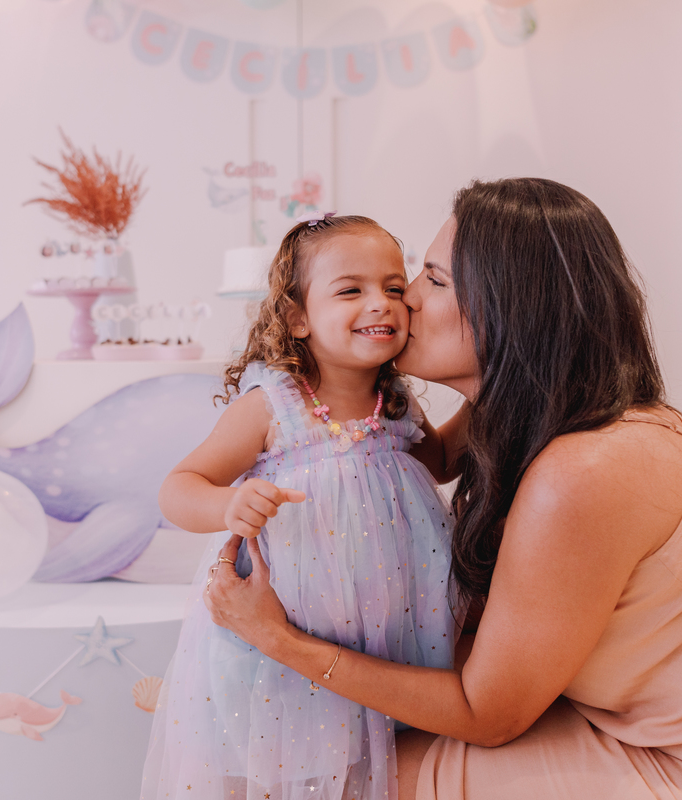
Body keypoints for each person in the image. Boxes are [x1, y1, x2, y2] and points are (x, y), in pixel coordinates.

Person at [204, 178, 682, 799]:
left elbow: (489, 714)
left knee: (355, 776)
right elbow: (392, 466)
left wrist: (279, 640)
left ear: (512, 314)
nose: (404, 300)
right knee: (326, 754)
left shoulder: (585, 470)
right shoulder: (534, 416)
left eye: (431, 280)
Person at [142, 214, 461, 800]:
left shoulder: (396, 401)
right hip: (288, 645)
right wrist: (230, 502)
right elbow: (179, 486)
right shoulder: (274, 406)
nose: (382, 304)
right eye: (351, 290)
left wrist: (496, 385)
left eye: (395, 288)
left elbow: (441, 461)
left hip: (390, 635)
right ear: (298, 318)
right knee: (282, 771)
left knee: (372, 770)